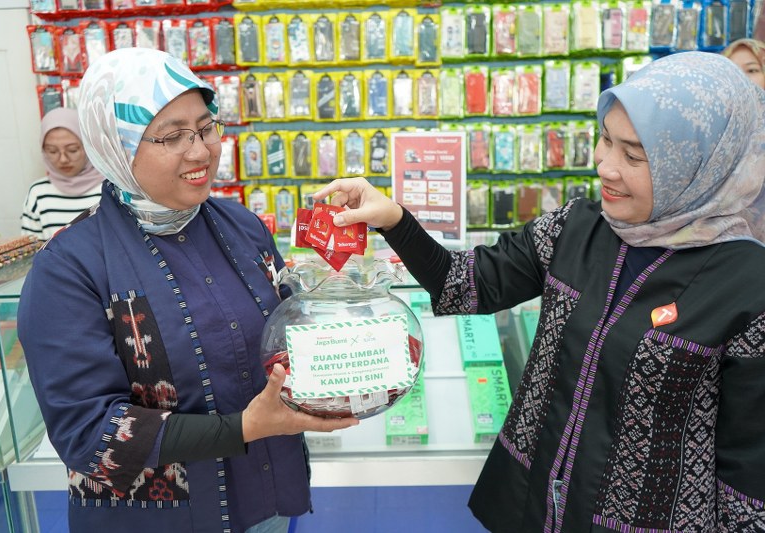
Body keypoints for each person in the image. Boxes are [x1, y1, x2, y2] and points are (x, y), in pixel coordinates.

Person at [314, 51, 765, 532]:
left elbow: (748, 474)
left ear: (698, 164)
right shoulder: (578, 228)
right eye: (605, 140)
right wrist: (394, 220)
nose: (605, 166)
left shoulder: (748, 289)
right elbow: (462, 284)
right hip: (533, 509)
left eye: (633, 155)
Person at [17, 47, 357, 533]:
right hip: (155, 520)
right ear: (117, 145)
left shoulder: (241, 226)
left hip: (264, 500)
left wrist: (345, 309)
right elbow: (88, 432)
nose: (200, 150)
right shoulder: (69, 268)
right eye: (171, 136)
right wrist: (245, 427)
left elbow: (286, 334)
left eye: (204, 127)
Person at [21, 107, 104, 241]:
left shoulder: (108, 189)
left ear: (88, 146)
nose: (63, 159)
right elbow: (31, 252)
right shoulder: (38, 193)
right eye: (52, 151)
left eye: (72, 150)